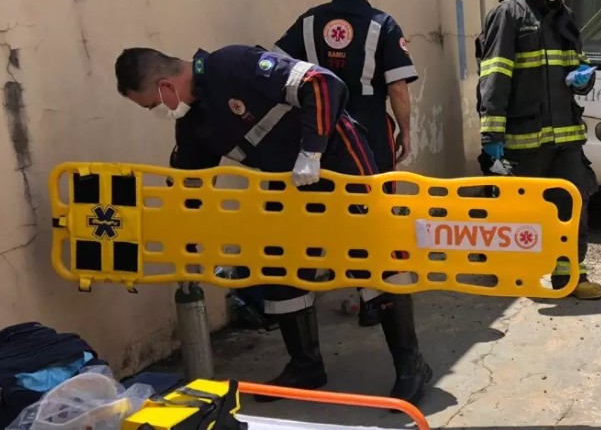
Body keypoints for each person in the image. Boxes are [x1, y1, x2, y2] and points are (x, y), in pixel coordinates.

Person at [113, 45, 432, 404]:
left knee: (372, 256)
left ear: (165, 86)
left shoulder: (232, 65)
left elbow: (323, 83)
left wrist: (311, 151)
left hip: (337, 161)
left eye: (153, 105)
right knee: (279, 262)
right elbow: (189, 185)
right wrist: (167, 237)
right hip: (288, 182)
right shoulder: (194, 124)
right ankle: (306, 366)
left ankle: (410, 363)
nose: (159, 112)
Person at [274, 0, 419, 329]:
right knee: (372, 214)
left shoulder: (308, 23)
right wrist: (406, 129)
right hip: (369, 129)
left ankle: (306, 299)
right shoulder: (382, 24)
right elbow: (398, 86)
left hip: (318, 136)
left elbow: (276, 68)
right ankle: (376, 297)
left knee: (318, 214)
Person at [475, 0, 601, 301]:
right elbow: (494, 75)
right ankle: (514, 273)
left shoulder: (565, 18)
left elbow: (574, 67)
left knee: (573, 202)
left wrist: (585, 77)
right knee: (519, 213)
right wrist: (491, 137)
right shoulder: (509, 15)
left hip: (566, 137)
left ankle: (570, 275)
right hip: (524, 138)